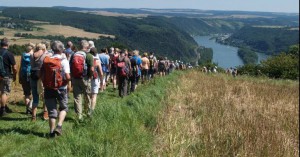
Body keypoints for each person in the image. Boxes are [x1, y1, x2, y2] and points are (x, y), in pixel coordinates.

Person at [40, 40, 70, 138]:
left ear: (52, 49)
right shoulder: (63, 61)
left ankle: (51, 132)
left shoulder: (46, 60)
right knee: (64, 108)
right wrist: (67, 82)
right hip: (61, 88)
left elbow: (41, 74)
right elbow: (67, 76)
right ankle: (59, 126)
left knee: (52, 112)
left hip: (48, 87)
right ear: (61, 49)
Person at [70, 40, 94, 120]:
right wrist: (90, 76)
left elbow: (70, 66)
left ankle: (79, 116)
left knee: (77, 98)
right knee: (87, 96)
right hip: (85, 78)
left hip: (75, 78)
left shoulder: (74, 55)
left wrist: (72, 77)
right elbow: (92, 69)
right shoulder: (89, 55)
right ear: (87, 47)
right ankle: (88, 113)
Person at [30, 43, 50, 121]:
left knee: (35, 97)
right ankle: (45, 113)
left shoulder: (31, 55)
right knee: (45, 96)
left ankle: (33, 117)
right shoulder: (45, 56)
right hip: (41, 77)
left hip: (33, 76)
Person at [0, 38, 17, 117]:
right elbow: (15, 67)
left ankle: (4, 106)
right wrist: (14, 75)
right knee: (5, 92)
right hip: (6, 75)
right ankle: (3, 110)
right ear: (7, 45)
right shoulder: (9, 54)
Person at [19, 43, 34, 114]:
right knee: (34, 92)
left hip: (24, 74)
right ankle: (30, 106)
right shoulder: (34, 55)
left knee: (27, 93)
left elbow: (21, 66)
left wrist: (19, 76)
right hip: (31, 74)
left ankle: (27, 109)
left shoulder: (23, 55)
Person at [90, 47, 103, 116]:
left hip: (87, 79)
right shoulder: (97, 61)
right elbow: (101, 73)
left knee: (88, 95)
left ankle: (86, 109)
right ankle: (91, 111)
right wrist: (101, 81)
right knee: (94, 95)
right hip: (94, 79)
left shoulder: (86, 59)